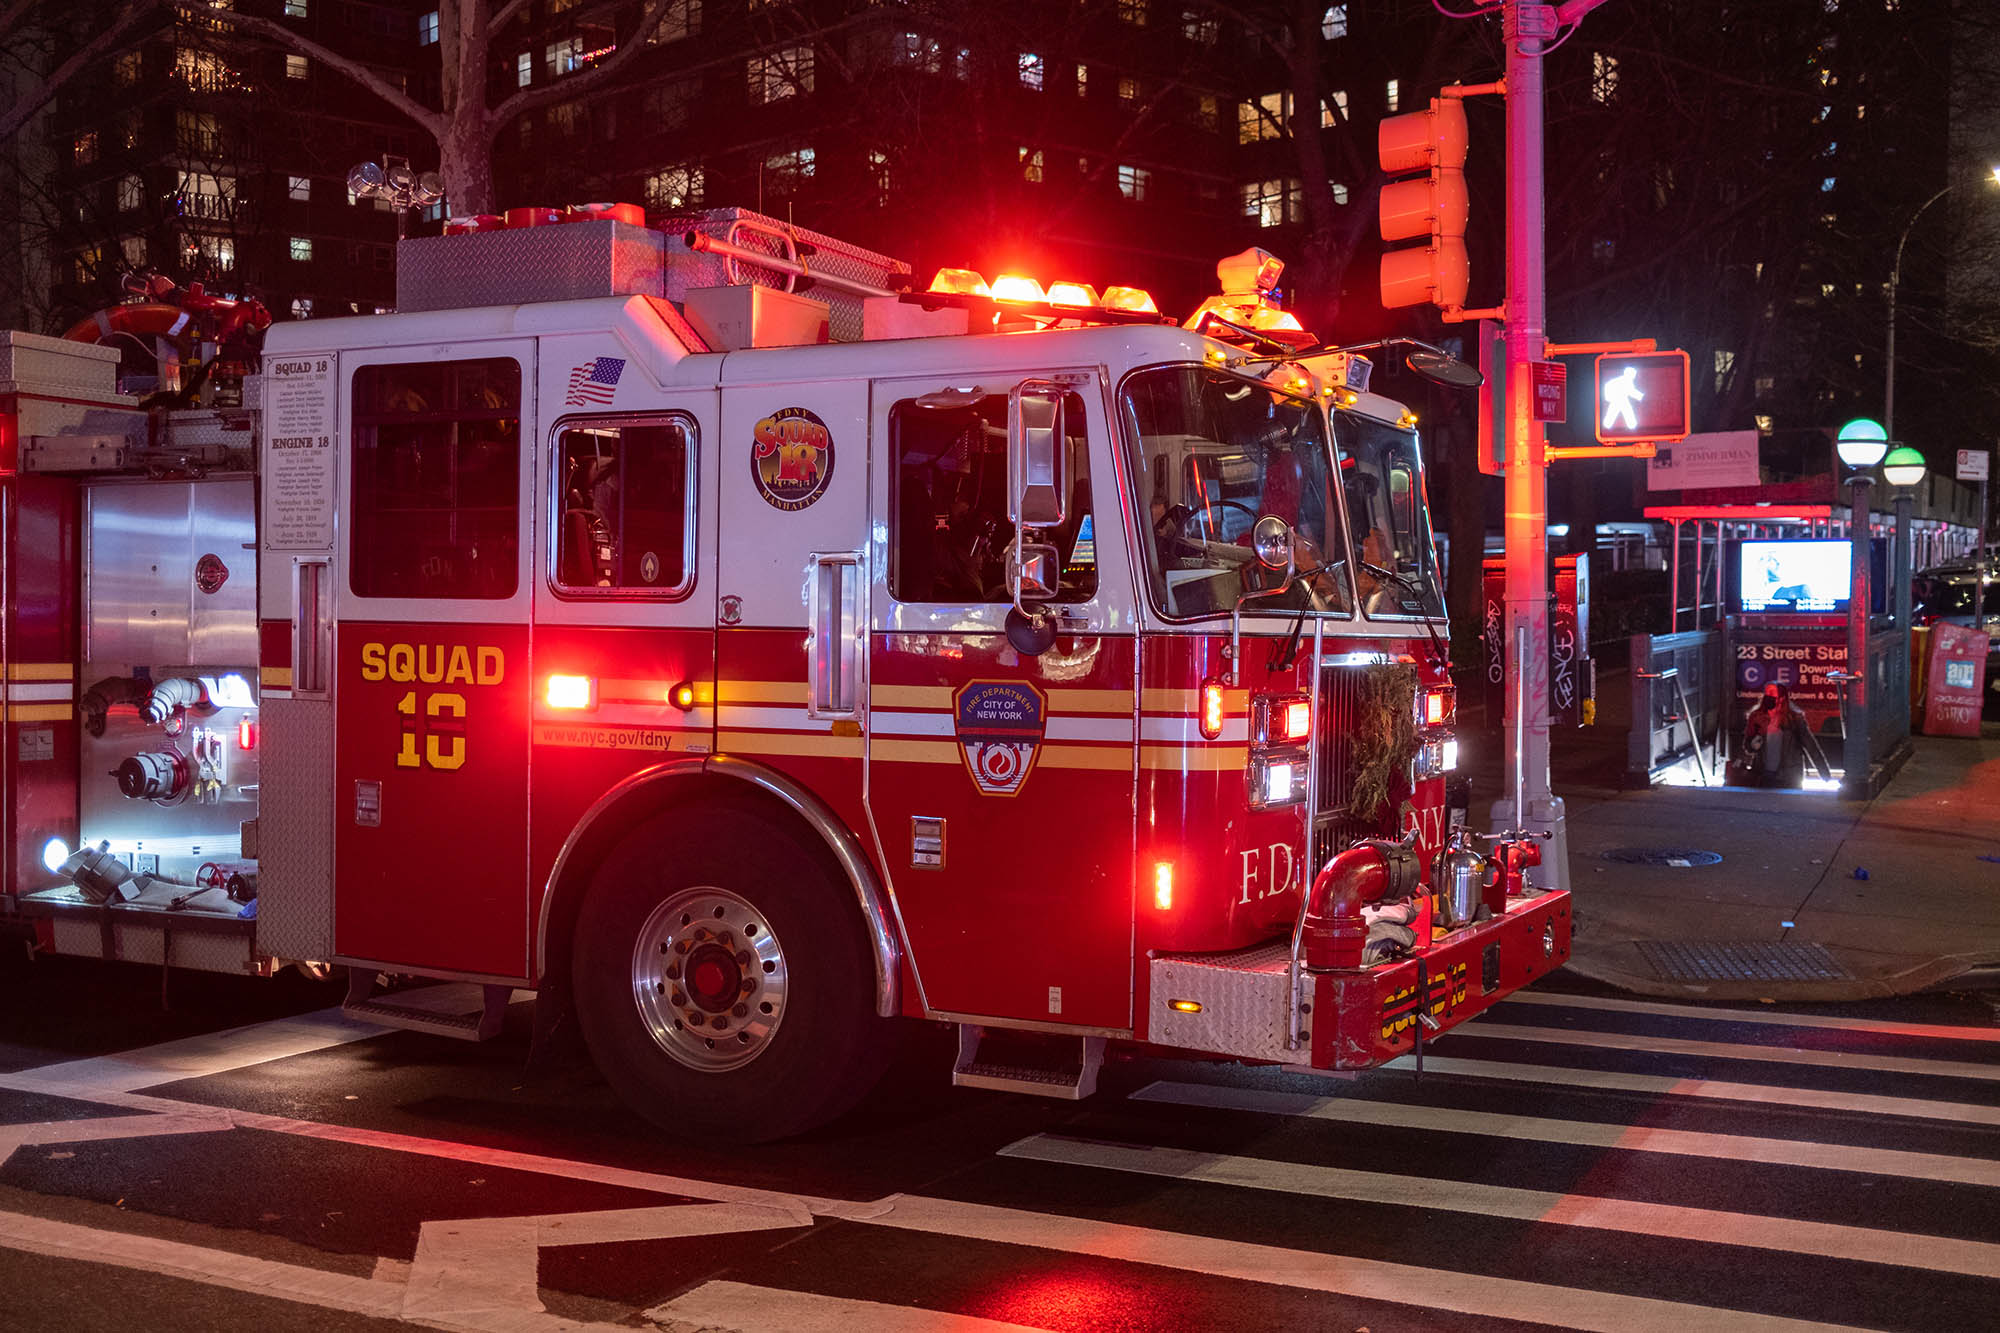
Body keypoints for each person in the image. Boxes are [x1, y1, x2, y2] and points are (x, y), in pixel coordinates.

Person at [1740, 682, 1833, 787]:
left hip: (1788, 776)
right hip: (1763, 775)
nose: (1768, 696)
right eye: (1767, 693)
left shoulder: (1794, 719)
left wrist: (1825, 774)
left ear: (1782, 698)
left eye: (1772, 693)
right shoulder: (1756, 717)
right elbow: (1747, 747)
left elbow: (1810, 745)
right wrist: (1752, 745)